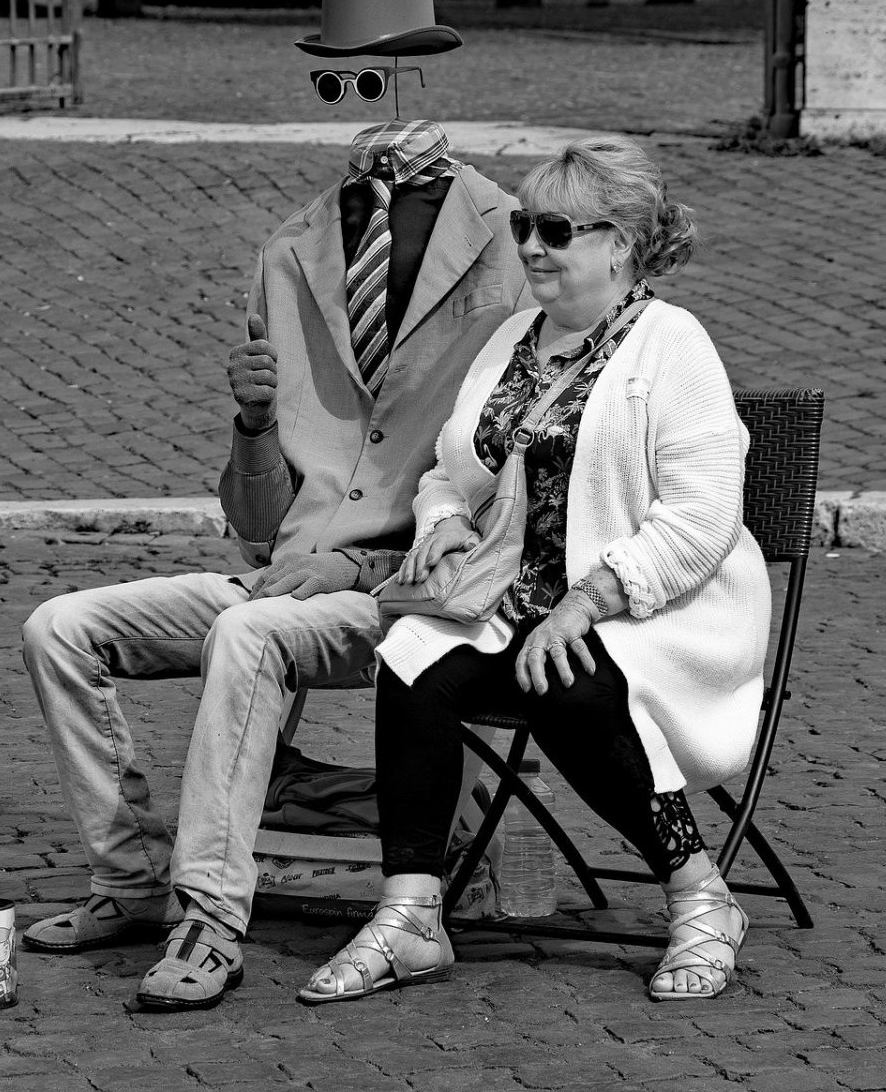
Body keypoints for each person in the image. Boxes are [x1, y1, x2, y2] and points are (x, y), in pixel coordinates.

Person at [20, 0, 531, 1012]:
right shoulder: (293, 249)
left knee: (248, 636)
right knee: (58, 628)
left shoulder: (513, 241)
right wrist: (253, 424)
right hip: (287, 580)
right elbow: (260, 529)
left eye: (376, 76)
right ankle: (131, 878)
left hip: (419, 591)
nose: (361, 98)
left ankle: (210, 919)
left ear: (420, 76)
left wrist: (351, 564)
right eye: (340, 80)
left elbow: (514, 486)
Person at [299, 135, 772, 1005]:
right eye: (524, 226)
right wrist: (444, 522)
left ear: (618, 244)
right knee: (413, 662)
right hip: (515, 601)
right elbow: (452, 468)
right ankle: (410, 916)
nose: (530, 247)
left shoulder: (673, 344)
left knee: (562, 677)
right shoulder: (515, 337)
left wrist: (586, 602)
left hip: (654, 610)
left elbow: (702, 519)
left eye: (555, 231)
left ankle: (702, 895)